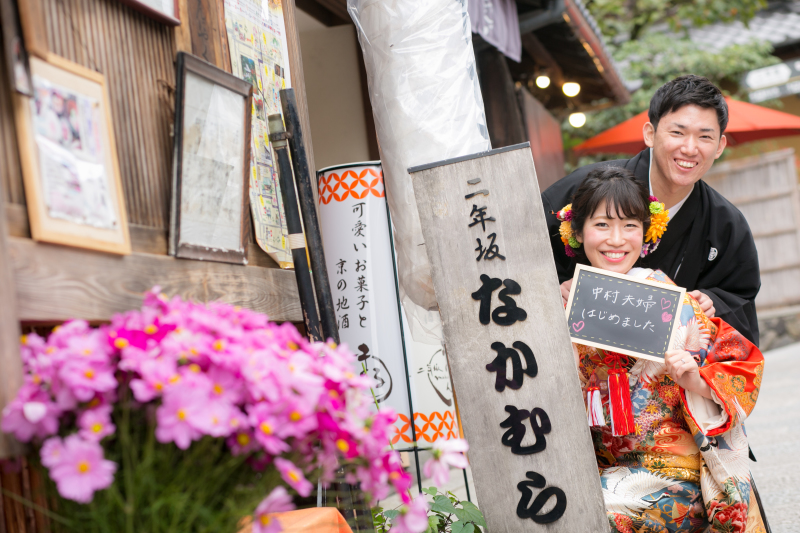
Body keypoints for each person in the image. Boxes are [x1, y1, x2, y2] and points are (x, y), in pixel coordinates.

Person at [558, 167, 765, 533]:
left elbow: (743, 366)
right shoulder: (565, 305)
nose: (616, 239)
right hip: (599, 467)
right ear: (577, 231)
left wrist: (694, 380)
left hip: (674, 473)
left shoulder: (674, 302)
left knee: (593, 511)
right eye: (602, 225)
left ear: (647, 232)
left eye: (630, 226)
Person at [542, 75, 761, 345]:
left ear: (720, 146)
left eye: (705, 137)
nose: (690, 148)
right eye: (677, 133)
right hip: (575, 360)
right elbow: (523, 255)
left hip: (661, 377)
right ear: (650, 134)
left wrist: (712, 302)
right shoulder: (584, 187)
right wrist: (555, 289)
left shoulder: (726, 224)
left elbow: (739, 299)